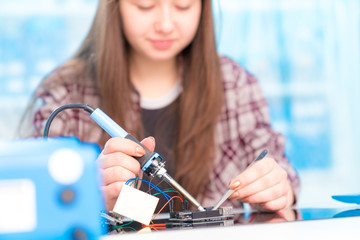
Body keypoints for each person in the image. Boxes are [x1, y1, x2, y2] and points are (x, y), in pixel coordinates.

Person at [23, 0, 300, 212]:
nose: (165, 24)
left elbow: (281, 174)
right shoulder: (64, 95)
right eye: (145, 5)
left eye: (183, 5)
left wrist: (276, 189)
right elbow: (31, 205)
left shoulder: (236, 85)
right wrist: (88, 197)